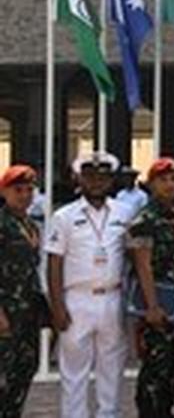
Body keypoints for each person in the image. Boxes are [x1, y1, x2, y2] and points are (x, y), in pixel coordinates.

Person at [45, 151, 132, 418]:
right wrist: (57, 307)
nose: (96, 182)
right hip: (77, 300)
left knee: (112, 368)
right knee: (74, 371)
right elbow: (54, 263)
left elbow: (135, 256)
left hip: (113, 298)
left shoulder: (125, 213)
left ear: (111, 181)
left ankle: (109, 414)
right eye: (90, 177)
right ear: (79, 179)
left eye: (102, 177)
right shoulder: (64, 216)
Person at [127, 157, 174, 417]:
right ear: (151, 184)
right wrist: (152, 306)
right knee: (155, 370)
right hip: (156, 305)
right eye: (163, 180)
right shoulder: (145, 219)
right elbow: (142, 265)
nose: (169, 184)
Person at [0, 164, 48, 418]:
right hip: (6, 312)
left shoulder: (30, 225)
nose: (25, 195)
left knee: (23, 372)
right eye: (18, 190)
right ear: (4, 192)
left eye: (29, 190)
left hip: (27, 313)